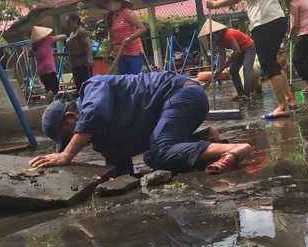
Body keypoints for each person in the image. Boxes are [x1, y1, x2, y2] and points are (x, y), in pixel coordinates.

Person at [30, 71, 252, 176]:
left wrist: (67, 155)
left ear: (71, 117)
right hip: (180, 108)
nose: (74, 140)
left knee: (159, 152)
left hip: (184, 95)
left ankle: (233, 149)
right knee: (151, 157)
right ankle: (205, 138)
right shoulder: (99, 138)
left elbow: (95, 113)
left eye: (68, 135)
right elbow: (120, 166)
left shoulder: (93, 88)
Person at [205, 0, 294, 120]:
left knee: (268, 65)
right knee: (274, 63)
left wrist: (214, 4)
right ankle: (289, 101)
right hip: (275, 19)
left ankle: (283, 107)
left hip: (264, 22)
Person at [198, 18, 256, 101]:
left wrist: (228, 62)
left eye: (210, 36)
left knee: (246, 70)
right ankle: (240, 94)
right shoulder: (218, 40)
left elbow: (236, 51)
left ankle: (246, 95)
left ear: (217, 33)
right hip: (239, 50)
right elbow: (222, 55)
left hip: (248, 47)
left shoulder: (228, 35)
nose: (209, 38)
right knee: (233, 70)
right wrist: (219, 69)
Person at [99, 0, 147, 75]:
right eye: (109, 1)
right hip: (119, 53)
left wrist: (129, 39)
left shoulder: (128, 13)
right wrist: (107, 53)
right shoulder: (109, 18)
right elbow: (112, 38)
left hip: (133, 51)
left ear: (120, 2)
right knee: (124, 79)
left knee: (135, 78)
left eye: (114, 1)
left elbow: (142, 29)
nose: (112, 3)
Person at [29, 26, 65, 104]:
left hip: (41, 71)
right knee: (55, 88)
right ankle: (45, 104)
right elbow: (60, 37)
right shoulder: (47, 40)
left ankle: (49, 106)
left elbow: (30, 53)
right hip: (49, 68)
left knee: (49, 89)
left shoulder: (34, 47)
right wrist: (66, 36)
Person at [65, 13, 94, 91]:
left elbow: (88, 44)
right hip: (75, 65)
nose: (67, 25)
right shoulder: (71, 34)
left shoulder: (81, 31)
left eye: (69, 22)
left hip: (83, 63)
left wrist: (89, 57)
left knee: (85, 85)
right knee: (79, 85)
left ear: (75, 21)